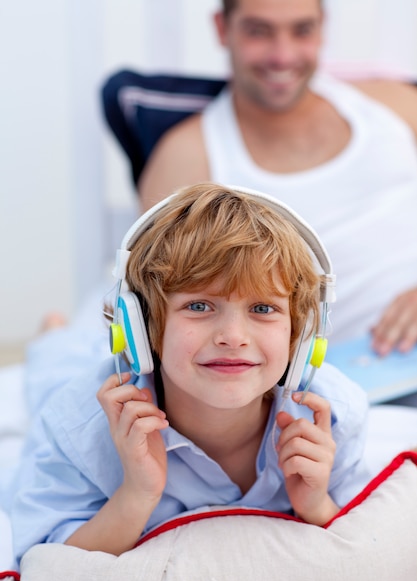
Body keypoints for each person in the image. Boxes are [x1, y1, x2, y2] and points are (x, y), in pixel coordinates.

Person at [10, 183, 370, 561]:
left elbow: (362, 555)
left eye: (263, 309)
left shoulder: (334, 416)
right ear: (140, 325)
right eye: (199, 306)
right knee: (54, 372)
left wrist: (316, 506)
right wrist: (135, 496)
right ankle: (52, 337)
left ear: (303, 331)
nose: (233, 338)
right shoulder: (80, 423)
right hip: (73, 383)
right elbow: (45, 564)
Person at [139, 0, 417, 364]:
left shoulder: (392, 105)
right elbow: (160, 312)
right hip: (342, 380)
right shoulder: (189, 156)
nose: (282, 56)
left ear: (322, 29)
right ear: (223, 29)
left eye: (302, 30)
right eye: (259, 31)